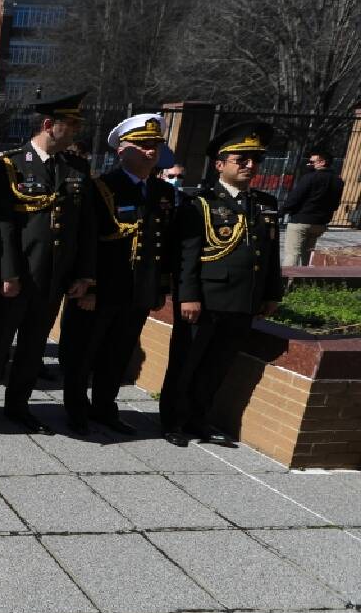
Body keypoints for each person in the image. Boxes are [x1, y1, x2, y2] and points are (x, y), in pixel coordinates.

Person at [0, 92, 96, 436]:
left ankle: (18, 406)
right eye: (71, 125)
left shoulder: (77, 168)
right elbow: (3, 224)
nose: (76, 132)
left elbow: (84, 227)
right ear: (48, 126)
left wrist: (84, 274)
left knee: (33, 346)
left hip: (55, 277)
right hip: (19, 275)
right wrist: (8, 272)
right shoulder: (9, 165)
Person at [160, 121, 283, 447]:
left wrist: (272, 292)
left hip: (243, 301)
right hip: (205, 301)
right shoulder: (199, 203)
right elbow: (185, 256)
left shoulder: (265, 204)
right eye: (240, 159)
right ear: (219, 164)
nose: (249, 165)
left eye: (255, 160)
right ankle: (173, 421)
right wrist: (187, 296)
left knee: (217, 367)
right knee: (186, 364)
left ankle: (199, 419)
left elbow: (270, 254)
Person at [59, 114, 176, 437]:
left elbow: (162, 246)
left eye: (154, 146)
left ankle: (104, 409)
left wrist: (159, 287)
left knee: (117, 354)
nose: (150, 152)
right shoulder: (101, 188)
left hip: (136, 291)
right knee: (84, 355)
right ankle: (76, 412)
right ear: (122, 150)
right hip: (100, 290)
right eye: (142, 146)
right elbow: (85, 242)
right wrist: (87, 287)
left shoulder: (162, 193)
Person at [281, 151, 344, 267]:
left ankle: (287, 281)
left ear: (322, 162)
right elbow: (335, 204)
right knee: (308, 253)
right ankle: (305, 279)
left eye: (312, 162)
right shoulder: (338, 181)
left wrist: (283, 211)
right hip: (320, 223)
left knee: (293, 253)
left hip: (301, 220)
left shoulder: (310, 177)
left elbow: (295, 197)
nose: (309, 164)